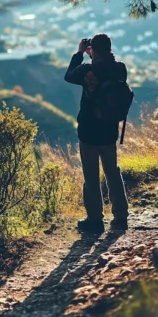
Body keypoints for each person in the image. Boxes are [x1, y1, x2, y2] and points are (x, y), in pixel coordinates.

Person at [64, 33, 129, 232]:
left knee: (91, 177)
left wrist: (80, 53)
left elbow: (69, 76)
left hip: (89, 131)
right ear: (109, 48)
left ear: (93, 50)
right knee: (113, 173)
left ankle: (95, 220)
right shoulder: (120, 69)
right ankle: (120, 217)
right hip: (109, 131)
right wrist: (95, 54)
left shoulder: (87, 70)